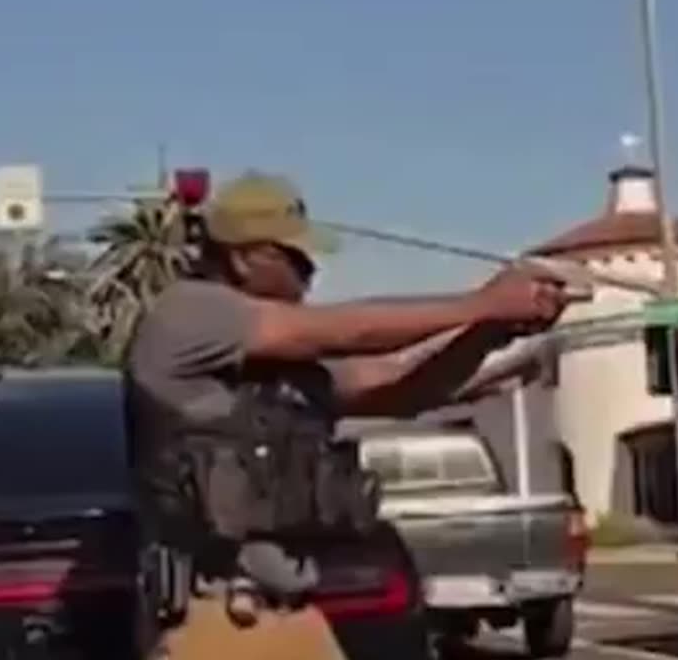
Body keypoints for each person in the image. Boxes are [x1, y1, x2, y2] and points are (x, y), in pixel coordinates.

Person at [123, 174, 574, 660]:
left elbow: (399, 389)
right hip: (213, 619)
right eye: (295, 258)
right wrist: (481, 302)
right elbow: (349, 331)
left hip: (291, 614)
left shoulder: (275, 364)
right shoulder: (189, 314)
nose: (310, 271)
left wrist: (490, 330)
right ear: (243, 257)